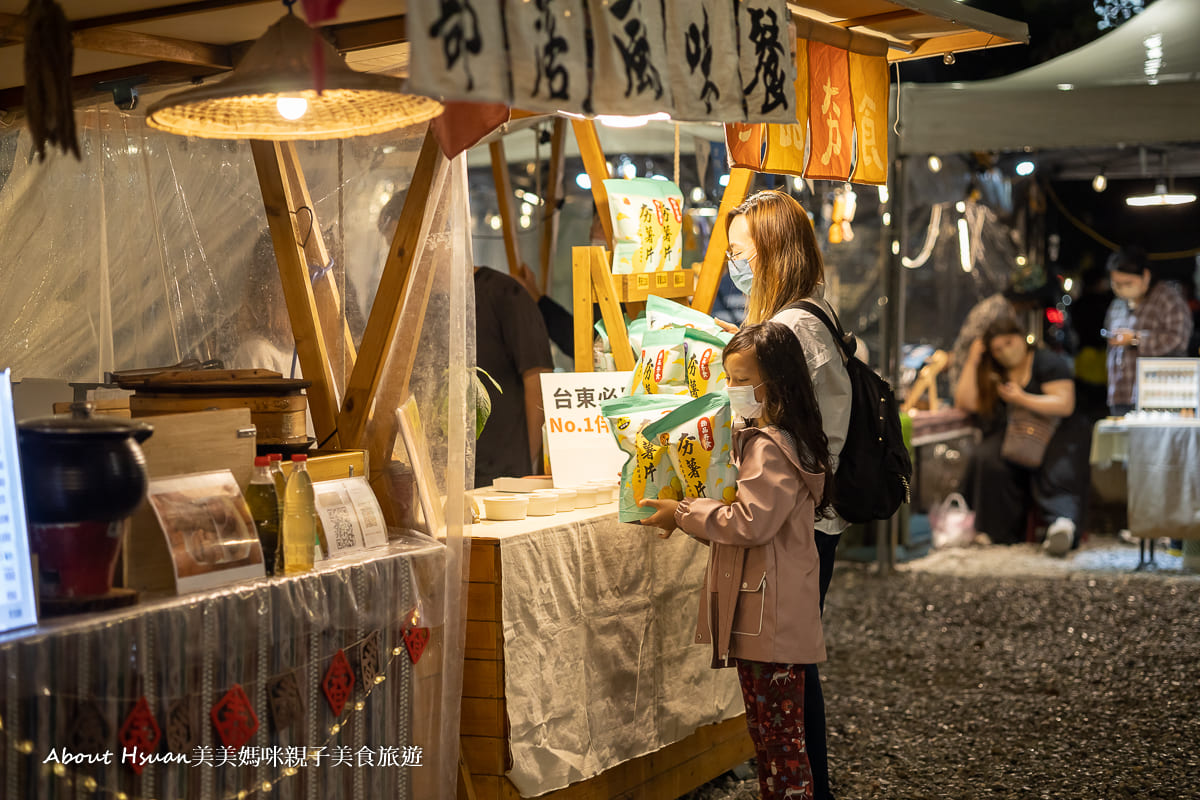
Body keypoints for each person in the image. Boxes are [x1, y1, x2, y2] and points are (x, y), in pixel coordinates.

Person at [639, 322, 832, 800]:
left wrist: (683, 511)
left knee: (781, 743)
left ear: (778, 383)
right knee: (769, 738)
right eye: (728, 378)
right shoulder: (769, 439)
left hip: (773, 622)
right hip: (767, 618)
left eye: (742, 380)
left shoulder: (770, 447)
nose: (732, 390)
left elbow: (749, 523)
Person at [718, 189, 847, 800]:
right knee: (797, 669)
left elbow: (804, 437)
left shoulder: (791, 326)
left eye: (740, 251)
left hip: (802, 526)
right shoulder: (804, 315)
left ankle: (805, 789)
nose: (734, 263)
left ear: (772, 251)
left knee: (791, 673)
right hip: (811, 520)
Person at [955, 316, 1090, 556]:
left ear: (1021, 338)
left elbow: (1065, 404)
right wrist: (974, 359)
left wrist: (1021, 399)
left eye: (1009, 343)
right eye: (997, 349)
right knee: (987, 456)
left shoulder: (1047, 362)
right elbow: (966, 402)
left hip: (1060, 430)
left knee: (1057, 464)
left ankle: (1062, 524)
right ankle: (996, 532)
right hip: (1017, 433)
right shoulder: (995, 371)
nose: (1005, 352)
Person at [472, 266, 555, 488]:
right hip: (446, 476)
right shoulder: (420, 299)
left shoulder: (505, 292)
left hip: (504, 475)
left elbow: (539, 380)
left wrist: (525, 462)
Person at [1103, 247, 1193, 416]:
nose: (1121, 288)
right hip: (1121, 392)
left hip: (1160, 395)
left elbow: (1178, 339)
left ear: (1145, 276)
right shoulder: (1118, 304)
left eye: (1127, 283)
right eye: (1116, 284)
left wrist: (1136, 339)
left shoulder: (1169, 299)